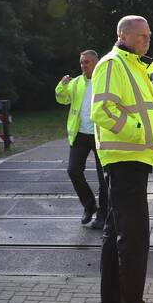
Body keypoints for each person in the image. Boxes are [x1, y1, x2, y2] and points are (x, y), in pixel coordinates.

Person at [91, 15, 153, 303]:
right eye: (141, 35)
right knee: (134, 239)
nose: (147, 40)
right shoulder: (113, 64)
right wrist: (138, 133)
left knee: (115, 234)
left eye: (149, 35)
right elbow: (103, 110)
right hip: (126, 157)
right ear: (122, 35)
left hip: (130, 159)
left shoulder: (132, 64)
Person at [55, 49, 107, 229]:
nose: (83, 66)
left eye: (87, 62)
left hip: (102, 134)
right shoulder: (76, 82)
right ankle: (89, 205)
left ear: (96, 62)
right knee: (73, 170)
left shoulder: (105, 81)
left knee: (104, 179)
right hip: (80, 134)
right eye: (81, 63)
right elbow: (62, 99)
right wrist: (61, 85)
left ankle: (103, 216)